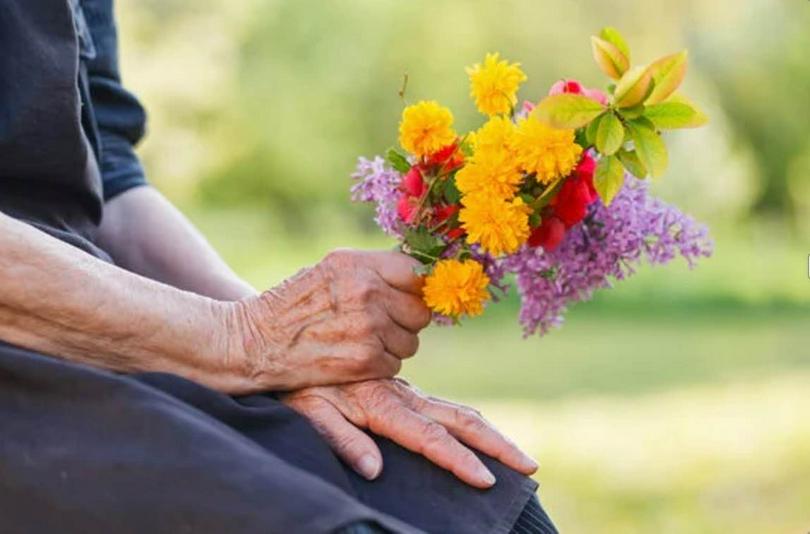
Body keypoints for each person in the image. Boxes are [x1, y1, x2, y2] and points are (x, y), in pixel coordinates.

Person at [0, 1, 558, 532]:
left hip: (105, 324)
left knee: (469, 505)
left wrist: (292, 350)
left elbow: (110, 177)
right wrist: (242, 341)